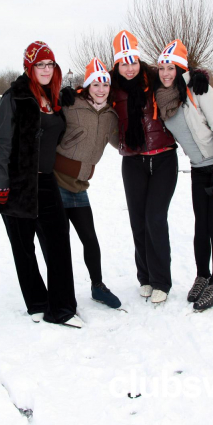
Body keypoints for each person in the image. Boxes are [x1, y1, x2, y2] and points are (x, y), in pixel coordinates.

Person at [0, 41, 82, 328]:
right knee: (24, 248)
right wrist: (1, 185)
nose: (45, 69)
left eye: (49, 64)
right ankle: (37, 303)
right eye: (40, 64)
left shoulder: (54, 98)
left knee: (58, 244)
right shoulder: (15, 98)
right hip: (16, 185)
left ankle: (62, 309)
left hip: (46, 182)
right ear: (29, 67)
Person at [154, 40, 213, 311]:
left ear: (182, 68)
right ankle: (202, 276)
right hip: (197, 169)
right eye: (162, 68)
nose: (166, 73)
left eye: (172, 67)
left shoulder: (200, 90)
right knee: (200, 228)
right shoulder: (164, 97)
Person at [111, 30, 178, 305]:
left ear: (139, 61)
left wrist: (198, 77)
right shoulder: (111, 87)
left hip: (163, 158)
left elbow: (178, 77)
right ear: (117, 64)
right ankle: (146, 277)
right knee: (138, 220)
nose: (129, 68)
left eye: (133, 62)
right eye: (124, 63)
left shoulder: (155, 79)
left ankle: (162, 279)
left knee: (155, 218)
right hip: (133, 161)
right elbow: (90, 96)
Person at [54, 58, 121, 309]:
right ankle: (61, 291)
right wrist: (60, 95)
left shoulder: (111, 115)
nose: (101, 89)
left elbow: (119, 144)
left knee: (90, 239)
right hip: (56, 182)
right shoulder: (72, 105)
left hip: (80, 185)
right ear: (88, 85)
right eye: (96, 84)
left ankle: (97, 286)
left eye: (105, 84)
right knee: (60, 241)